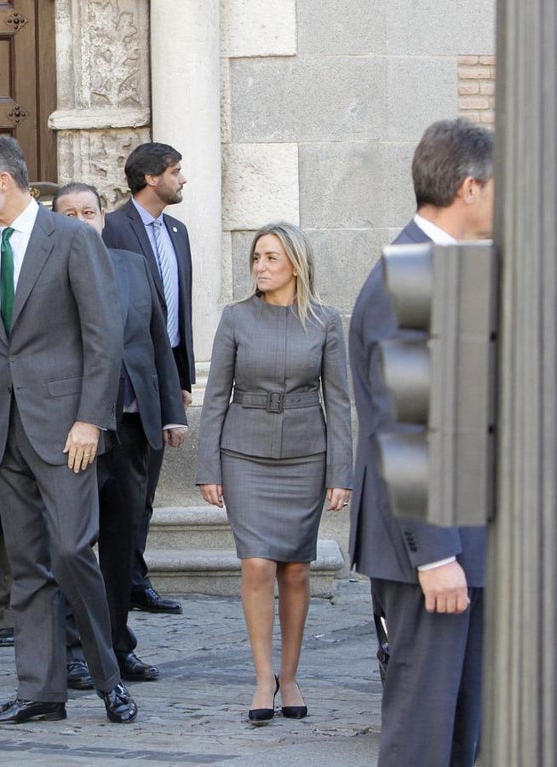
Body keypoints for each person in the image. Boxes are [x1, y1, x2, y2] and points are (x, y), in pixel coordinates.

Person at [0, 136, 135, 725]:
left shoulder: (74, 239)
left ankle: (108, 677)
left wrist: (91, 419)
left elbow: (103, 337)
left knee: (71, 551)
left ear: (3, 180)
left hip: (66, 432)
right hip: (4, 434)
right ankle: (40, 691)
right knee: (26, 565)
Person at [349, 118, 492, 766]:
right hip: (431, 549)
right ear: (470, 187)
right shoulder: (409, 274)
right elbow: (405, 426)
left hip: (467, 540)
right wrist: (435, 554)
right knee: (423, 734)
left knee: (461, 732)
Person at [196, 221, 352, 722]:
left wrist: (341, 472)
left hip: (307, 457)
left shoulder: (326, 321)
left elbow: (339, 402)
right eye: (256, 258)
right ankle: (264, 678)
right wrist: (208, 466)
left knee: (297, 568)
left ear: (296, 265)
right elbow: (215, 397)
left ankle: (291, 676)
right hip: (244, 455)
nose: (260, 267)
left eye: (270, 258)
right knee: (258, 564)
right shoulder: (236, 317)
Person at [54, 182, 187, 685]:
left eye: (89, 211)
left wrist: (171, 411)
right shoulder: (46, 273)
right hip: (73, 434)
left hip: (131, 428)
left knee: (121, 543)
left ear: (103, 218)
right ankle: (73, 649)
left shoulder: (133, 265)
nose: (81, 221)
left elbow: (157, 342)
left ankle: (115, 645)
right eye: (69, 213)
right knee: (71, 547)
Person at [102, 142, 195, 615]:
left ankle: (135, 579)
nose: (183, 179)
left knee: (147, 489)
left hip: (165, 371)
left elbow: (179, 310)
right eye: (176, 171)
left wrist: (183, 377)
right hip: (126, 380)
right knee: (126, 489)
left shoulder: (178, 231)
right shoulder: (112, 227)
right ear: (151, 178)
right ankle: (120, 582)